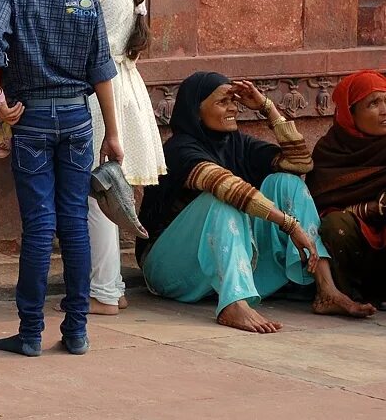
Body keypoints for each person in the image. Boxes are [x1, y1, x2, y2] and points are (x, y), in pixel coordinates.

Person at [0, 0, 123, 357]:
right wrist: (114, 134)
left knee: (39, 227)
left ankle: (30, 332)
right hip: (79, 120)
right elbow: (102, 68)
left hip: (32, 119)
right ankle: (77, 330)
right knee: (74, 226)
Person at [137, 72, 376, 333]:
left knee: (287, 182)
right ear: (196, 111)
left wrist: (267, 107)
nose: (233, 108)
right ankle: (234, 304)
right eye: (223, 102)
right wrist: (289, 225)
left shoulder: (236, 142)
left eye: (234, 101)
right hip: (168, 270)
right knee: (223, 201)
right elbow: (227, 188)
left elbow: (300, 164)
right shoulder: (179, 150)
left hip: (220, 270)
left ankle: (326, 289)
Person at [69, 0, 166, 315]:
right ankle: (112, 288)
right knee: (107, 191)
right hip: (127, 86)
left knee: (95, 195)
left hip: (98, 90)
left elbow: (75, 38)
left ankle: (105, 291)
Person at [308, 70, 386, 310]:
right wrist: (367, 209)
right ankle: (344, 295)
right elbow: (319, 207)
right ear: (349, 113)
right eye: (374, 103)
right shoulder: (330, 151)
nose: (385, 110)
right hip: (355, 244)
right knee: (335, 226)